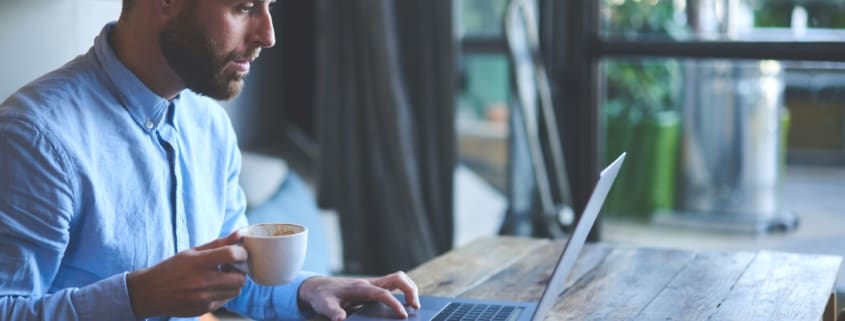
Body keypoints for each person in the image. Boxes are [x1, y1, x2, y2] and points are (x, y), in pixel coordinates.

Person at [0, 0, 420, 320]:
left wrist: (311, 288)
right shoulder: (36, 137)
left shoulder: (210, 128)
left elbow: (231, 277)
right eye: (243, 7)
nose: (268, 34)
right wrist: (138, 297)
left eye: (269, 5)